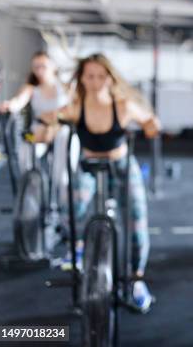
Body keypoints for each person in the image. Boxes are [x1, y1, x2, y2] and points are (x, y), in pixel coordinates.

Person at [59, 53, 160, 314]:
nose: (95, 82)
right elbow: (50, 120)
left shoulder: (123, 105)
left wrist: (151, 125)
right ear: (82, 78)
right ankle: (79, 252)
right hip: (89, 166)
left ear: (110, 78)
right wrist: (43, 127)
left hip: (122, 165)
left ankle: (136, 280)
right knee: (73, 208)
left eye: (101, 76)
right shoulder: (75, 106)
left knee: (136, 221)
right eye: (90, 76)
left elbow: (148, 120)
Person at [0, 51, 68, 143]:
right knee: (31, 136)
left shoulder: (65, 88)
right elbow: (18, 101)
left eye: (43, 66)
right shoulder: (30, 88)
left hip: (61, 129)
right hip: (36, 132)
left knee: (61, 132)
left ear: (53, 66)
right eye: (36, 67)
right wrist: (9, 105)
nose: (40, 70)